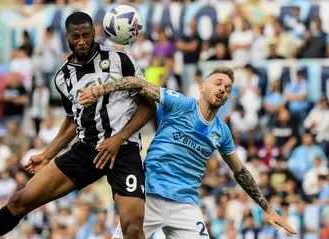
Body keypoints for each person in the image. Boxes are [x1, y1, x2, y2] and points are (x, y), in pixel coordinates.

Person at [0, 12, 156, 239]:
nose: (82, 41)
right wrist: (47, 154)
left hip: (124, 149)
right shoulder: (62, 77)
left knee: (133, 227)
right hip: (87, 150)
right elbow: (72, 121)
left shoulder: (121, 61)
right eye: (76, 36)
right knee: (21, 200)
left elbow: (148, 108)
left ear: (94, 34)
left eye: (86, 35)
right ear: (67, 37)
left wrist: (117, 139)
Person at [79, 67, 297, 239]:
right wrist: (100, 90)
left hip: (185, 205)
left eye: (228, 88)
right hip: (150, 196)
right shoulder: (182, 104)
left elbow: (240, 172)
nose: (223, 89)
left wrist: (266, 208)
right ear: (201, 87)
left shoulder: (222, 132)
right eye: (218, 83)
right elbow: (138, 83)